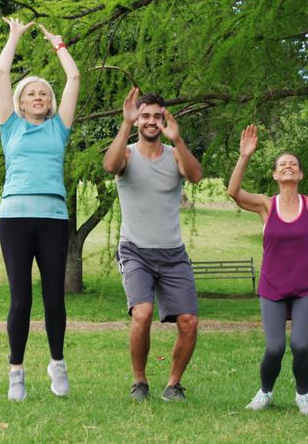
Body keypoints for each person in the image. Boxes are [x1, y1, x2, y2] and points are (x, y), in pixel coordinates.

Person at [227, 121, 308, 415]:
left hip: (306, 287)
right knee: (275, 348)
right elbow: (234, 191)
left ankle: (303, 395)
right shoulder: (266, 205)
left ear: (300, 174)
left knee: (301, 345)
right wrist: (245, 156)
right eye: (282, 165)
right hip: (273, 287)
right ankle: (265, 392)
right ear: (276, 174)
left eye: (293, 164)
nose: (288, 166)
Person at [0, 17, 81, 401]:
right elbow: (1, 71)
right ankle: (16, 371)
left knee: (53, 297)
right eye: (30, 93)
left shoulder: (58, 127)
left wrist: (59, 45)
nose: (38, 97)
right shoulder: (9, 127)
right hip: (14, 218)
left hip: (53, 219)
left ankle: (57, 364)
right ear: (19, 101)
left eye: (43, 94)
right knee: (20, 299)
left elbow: (74, 80)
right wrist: (14, 37)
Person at [102, 86, 204, 402]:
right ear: (137, 120)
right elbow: (110, 165)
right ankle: (140, 381)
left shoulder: (175, 156)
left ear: (164, 121)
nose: (150, 121)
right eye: (144, 116)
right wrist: (124, 123)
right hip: (135, 250)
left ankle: (173, 385)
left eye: (156, 117)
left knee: (189, 322)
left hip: (172, 252)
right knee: (142, 314)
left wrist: (178, 139)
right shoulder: (127, 154)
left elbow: (196, 176)